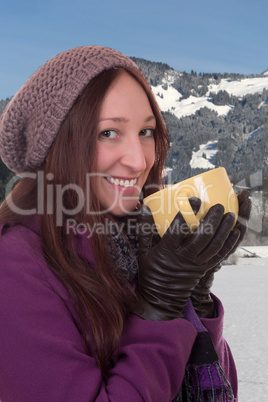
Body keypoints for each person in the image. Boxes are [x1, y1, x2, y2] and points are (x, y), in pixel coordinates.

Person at [0, 46, 251, 402]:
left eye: (147, 131)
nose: (138, 160)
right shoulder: (14, 266)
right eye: (108, 133)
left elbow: (216, 390)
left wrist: (193, 298)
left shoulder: (138, 242)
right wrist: (159, 308)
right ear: (56, 145)